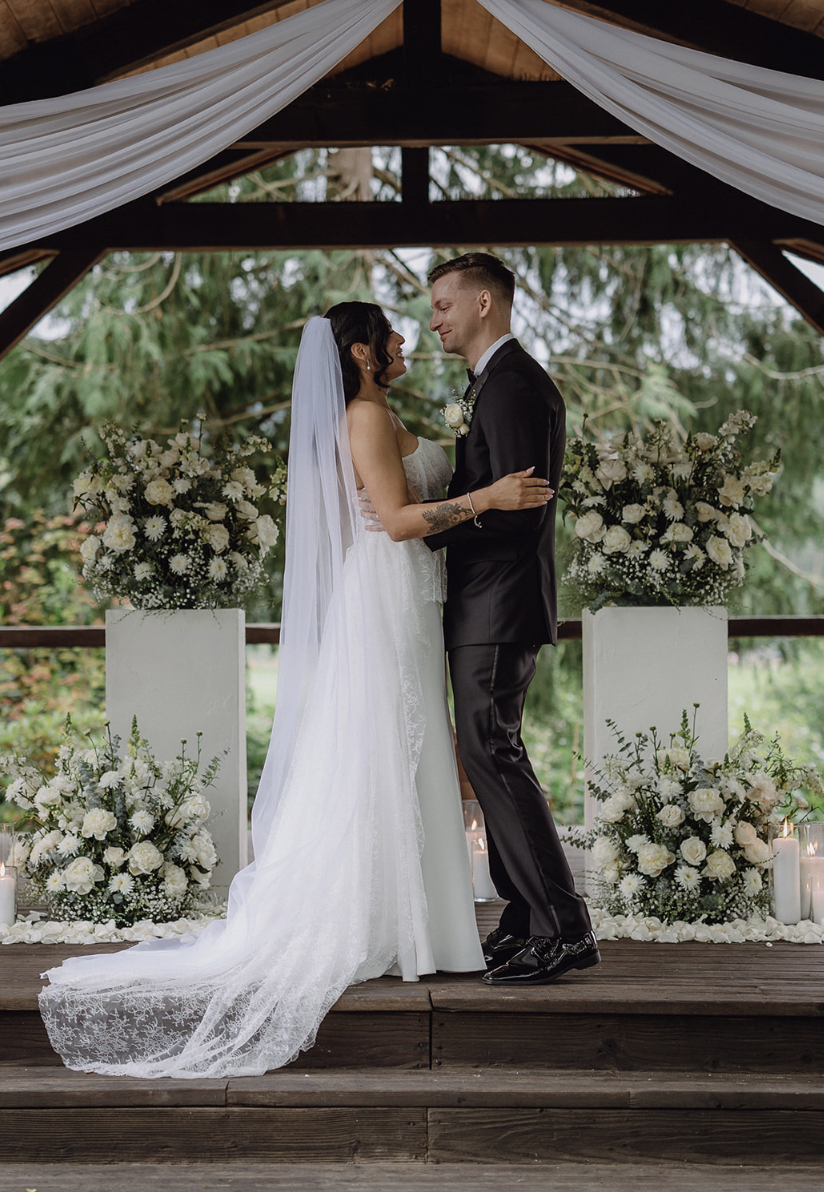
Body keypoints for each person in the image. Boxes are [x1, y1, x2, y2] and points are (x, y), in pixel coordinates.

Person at [37, 303, 552, 1079]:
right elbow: (398, 519)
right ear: (362, 351)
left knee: (403, 752)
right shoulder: (364, 419)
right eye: (392, 334)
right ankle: (399, 927)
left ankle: (429, 925)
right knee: (387, 748)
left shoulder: (378, 411)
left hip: (405, 599)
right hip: (385, 597)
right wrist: (489, 497)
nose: (408, 338)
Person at [425, 253, 600, 986]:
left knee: (492, 755)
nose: (434, 319)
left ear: (485, 304)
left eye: (443, 305)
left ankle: (563, 926)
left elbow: (517, 513)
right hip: (488, 602)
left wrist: (429, 526)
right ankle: (526, 917)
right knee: (491, 754)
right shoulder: (495, 384)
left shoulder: (514, 387)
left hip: (498, 601)